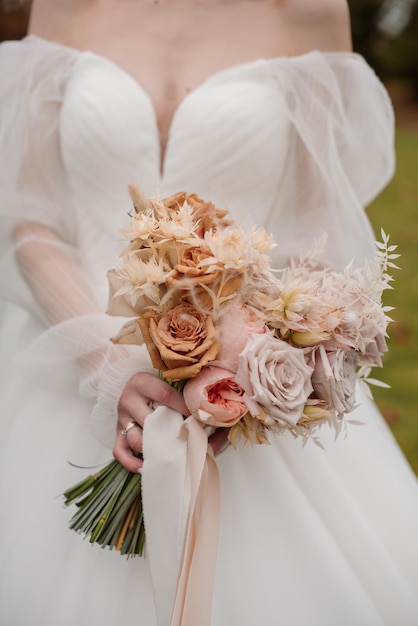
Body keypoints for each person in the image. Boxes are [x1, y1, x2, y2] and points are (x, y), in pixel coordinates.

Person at [1, 0, 418, 624]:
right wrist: (105, 365)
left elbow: (320, 232)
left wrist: (252, 361)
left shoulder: (310, 12)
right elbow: (33, 220)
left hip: (235, 395)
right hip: (66, 367)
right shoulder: (63, 7)